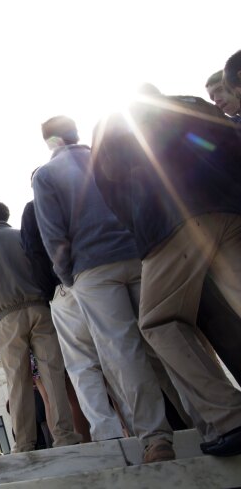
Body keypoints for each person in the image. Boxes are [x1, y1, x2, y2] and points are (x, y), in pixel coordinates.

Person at [93, 89, 241, 457]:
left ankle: (230, 416)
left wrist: (140, 229)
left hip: (172, 224)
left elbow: (110, 177)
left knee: (159, 321)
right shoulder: (195, 105)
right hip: (230, 211)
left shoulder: (112, 123)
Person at [34, 115, 182, 463]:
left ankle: (157, 439)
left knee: (122, 352)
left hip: (92, 270)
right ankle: (207, 420)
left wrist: (69, 277)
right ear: (76, 133)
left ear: (50, 142)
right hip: (141, 256)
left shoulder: (46, 175)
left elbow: (53, 236)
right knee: (170, 340)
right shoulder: (110, 158)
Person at [0, 201, 81, 453]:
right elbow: (42, 265)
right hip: (41, 307)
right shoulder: (22, 235)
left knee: (17, 380)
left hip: (8, 315)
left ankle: (25, 442)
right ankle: (65, 434)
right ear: (7, 215)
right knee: (53, 374)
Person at [20, 196, 121, 442]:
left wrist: (51, 290)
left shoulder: (34, 210)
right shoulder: (81, 199)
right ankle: (136, 427)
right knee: (116, 354)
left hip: (63, 290)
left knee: (80, 369)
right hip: (98, 280)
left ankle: (104, 434)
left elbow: (34, 253)